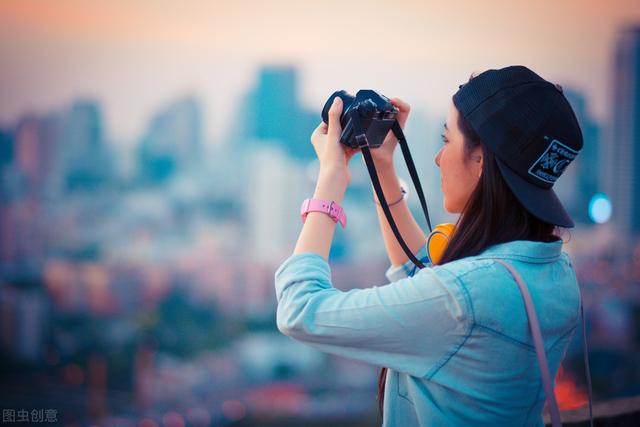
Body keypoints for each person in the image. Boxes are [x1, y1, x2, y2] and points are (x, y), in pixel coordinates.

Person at [274, 65, 583, 426]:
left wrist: (330, 177)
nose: (438, 157)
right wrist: (382, 168)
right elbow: (428, 282)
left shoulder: (467, 296)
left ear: (481, 158)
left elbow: (299, 310)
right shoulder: (554, 272)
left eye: (446, 139)